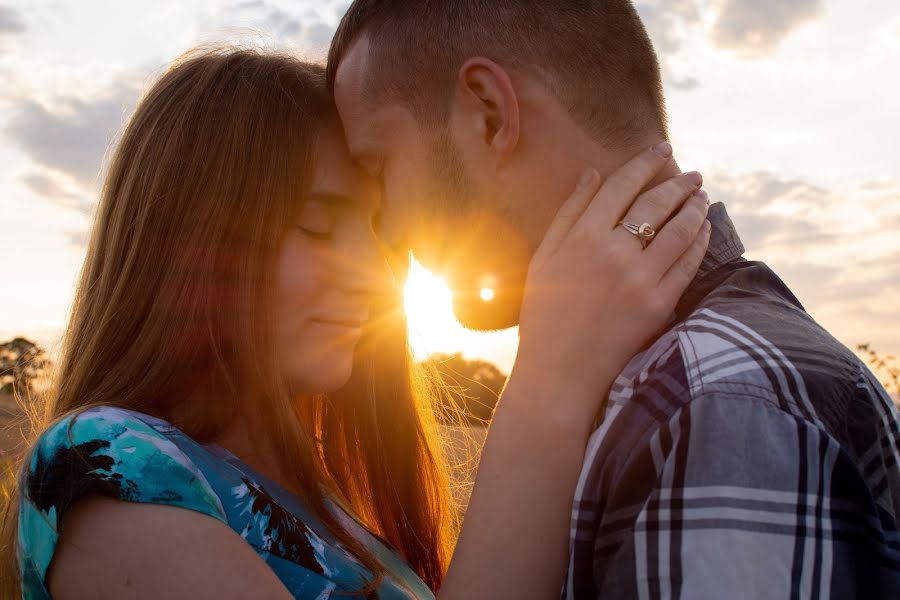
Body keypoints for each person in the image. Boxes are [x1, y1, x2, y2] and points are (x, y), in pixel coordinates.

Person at [0, 47, 710, 599]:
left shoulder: (327, 506)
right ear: (188, 245)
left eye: (378, 229)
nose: (372, 268)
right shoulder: (107, 471)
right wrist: (551, 380)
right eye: (318, 225)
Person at [326, 1, 900, 598]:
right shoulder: (667, 385)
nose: (385, 228)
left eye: (379, 166)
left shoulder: (710, 400)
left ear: (490, 116)